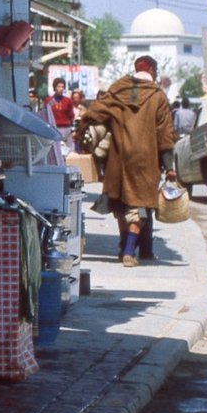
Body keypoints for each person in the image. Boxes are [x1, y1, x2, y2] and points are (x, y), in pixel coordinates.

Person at [79, 55, 175, 266]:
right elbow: (165, 133)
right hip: (145, 160)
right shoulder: (157, 96)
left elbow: (93, 112)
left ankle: (124, 246)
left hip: (118, 157)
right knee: (140, 205)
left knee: (121, 206)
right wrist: (169, 166)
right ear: (152, 71)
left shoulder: (117, 90)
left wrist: (83, 134)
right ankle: (129, 252)